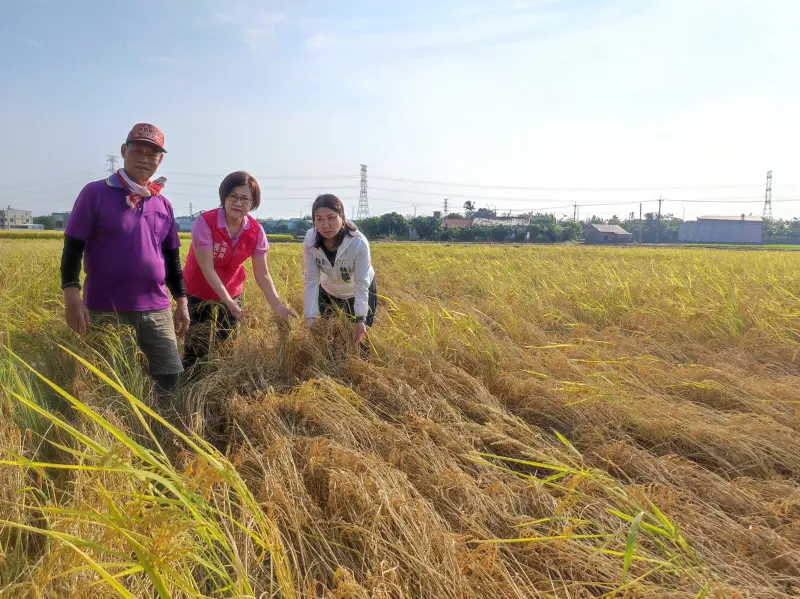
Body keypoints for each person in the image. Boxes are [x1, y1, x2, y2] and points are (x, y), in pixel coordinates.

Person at [61, 123, 189, 393]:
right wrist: (72, 297)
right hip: (106, 308)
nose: (144, 158)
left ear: (160, 160)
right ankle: (114, 432)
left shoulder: (162, 203)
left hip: (157, 307)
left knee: (170, 376)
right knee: (113, 385)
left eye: (152, 153)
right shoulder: (95, 193)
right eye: (137, 150)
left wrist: (181, 300)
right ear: (123, 151)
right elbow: (73, 247)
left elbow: (171, 257)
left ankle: (162, 432)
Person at [182, 171, 297, 370]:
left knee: (227, 344)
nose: (238, 203)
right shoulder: (205, 222)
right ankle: (189, 387)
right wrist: (228, 302)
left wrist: (278, 306)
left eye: (245, 199)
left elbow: (263, 274)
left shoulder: (255, 231)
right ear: (224, 197)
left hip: (232, 290)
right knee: (196, 346)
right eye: (233, 196)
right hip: (198, 289)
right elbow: (207, 268)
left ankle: (220, 383)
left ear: (253, 203)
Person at [303, 194, 377, 343]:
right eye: (319, 219)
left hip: (357, 292)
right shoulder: (310, 240)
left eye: (331, 218)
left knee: (360, 340)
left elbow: (361, 283)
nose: (325, 225)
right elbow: (311, 279)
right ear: (314, 221)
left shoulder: (358, 243)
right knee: (332, 339)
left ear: (342, 218)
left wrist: (361, 318)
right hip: (329, 291)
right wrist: (310, 316)